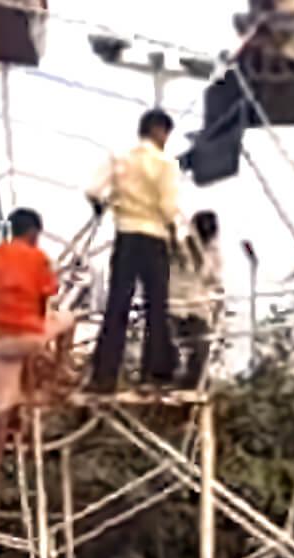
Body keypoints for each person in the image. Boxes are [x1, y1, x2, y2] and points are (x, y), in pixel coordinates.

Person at [0, 208, 75, 494]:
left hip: (1, 341)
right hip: (32, 337)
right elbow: (45, 297)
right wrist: (38, 328)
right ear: (33, 233)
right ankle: (60, 369)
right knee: (68, 319)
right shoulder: (39, 259)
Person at [85, 108, 183, 393]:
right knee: (156, 306)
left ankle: (104, 375)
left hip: (125, 236)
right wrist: (175, 233)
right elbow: (168, 207)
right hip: (154, 238)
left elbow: (92, 189)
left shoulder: (120, 158)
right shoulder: (166, 164)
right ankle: (153, 374)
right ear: (158, 131)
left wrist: (103, 206)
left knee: (117, 306)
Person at [168, 210, 224, 389]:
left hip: (198, 307)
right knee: (170, 344)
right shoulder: (182, 244)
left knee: (201, 347)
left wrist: (216, 306)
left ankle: (191, 385)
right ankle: (164, 379)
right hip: (175, 305)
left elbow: (215, 281)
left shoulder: (214, 254)